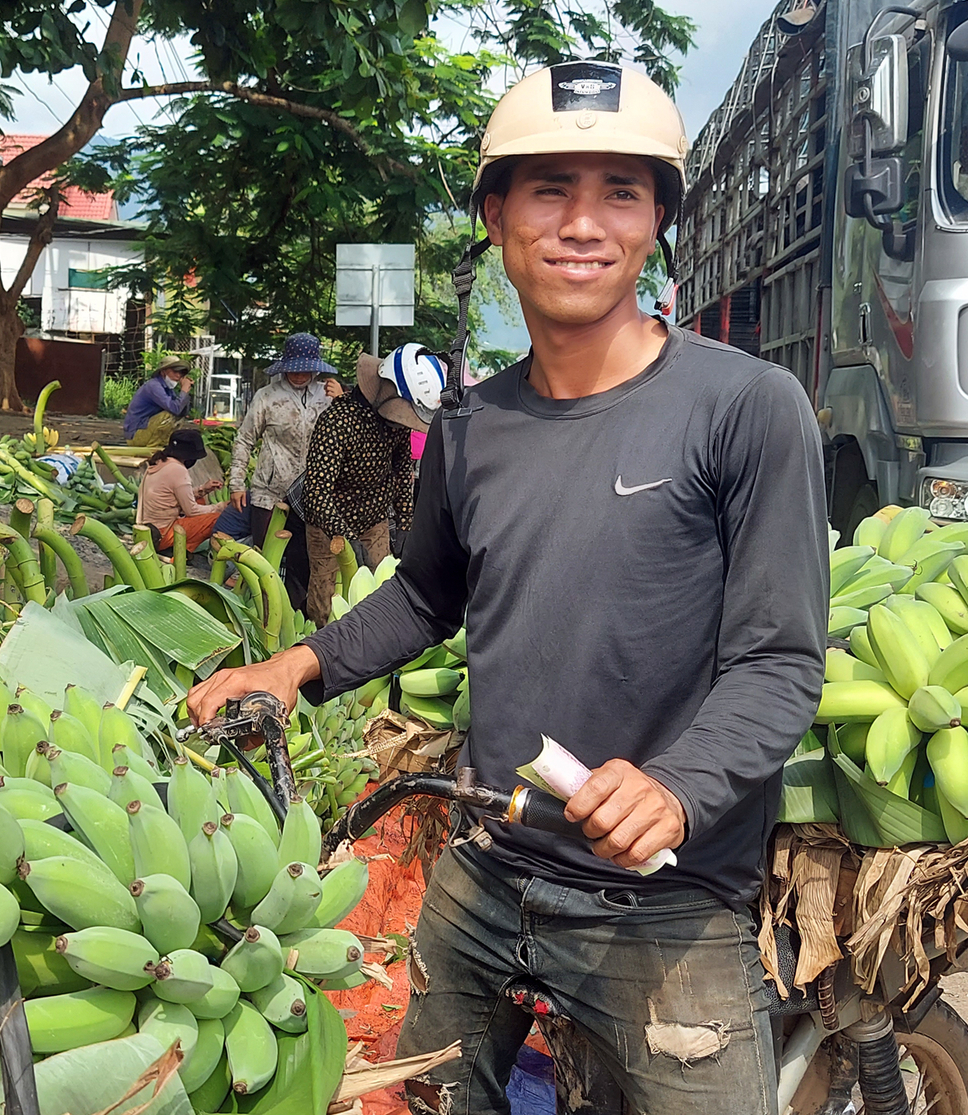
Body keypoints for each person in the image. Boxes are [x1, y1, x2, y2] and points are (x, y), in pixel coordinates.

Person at [188, 60, 827, 1112]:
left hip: (667, 905)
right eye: (547, 190)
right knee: (424, 1096)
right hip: (490, 863)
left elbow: (777, 659)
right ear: (494, 215)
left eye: (620, 192)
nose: (583, 223)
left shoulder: (746, 408)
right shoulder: (474, 427)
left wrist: (675, 787)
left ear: (655, 221)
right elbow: (428, 594)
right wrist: (297, 662)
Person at [298, 345, 443, 625]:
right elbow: (315, 492)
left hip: (374, 520)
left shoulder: (396, 429)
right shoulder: (338, 421)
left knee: (382, 596)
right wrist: (346, 538)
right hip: (330, 526)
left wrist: (405, 526)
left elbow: (402, 472)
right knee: (327, 607)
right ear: (387, 392)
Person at [227, 333, 343, 609]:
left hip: (312, 495)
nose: (300, 374)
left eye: (306, 368)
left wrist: (342, 400)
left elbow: (348, 435)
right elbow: (244, 439)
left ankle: (295, 621)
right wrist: (236, 482)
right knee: (265, 559)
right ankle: (262, 613)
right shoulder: (267, 397)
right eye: (294, 368)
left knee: (304, 563)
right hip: (271, 492)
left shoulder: (329, 394)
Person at [135, 429, 241, 555]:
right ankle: (177, 549)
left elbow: (174, 496)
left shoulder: (159, 463)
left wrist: (203, 489)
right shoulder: (178, 470)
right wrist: (219, 507)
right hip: (162, 534)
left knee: (200, 500)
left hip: (148, 529)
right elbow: (191, 510)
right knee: (219, 519)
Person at [123, 355, 193, 445]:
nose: (178, 375)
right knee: (168, 415)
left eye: (181, 372)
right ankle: (154, 446)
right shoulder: (154, 386)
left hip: (146, 430)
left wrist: (186, 393)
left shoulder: (168, 390)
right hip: (135, 435)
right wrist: (183, 391)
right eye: (175, 371)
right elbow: (175, 409)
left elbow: (181, 412)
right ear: (163, 372)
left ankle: (162, 444)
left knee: (177, 417)